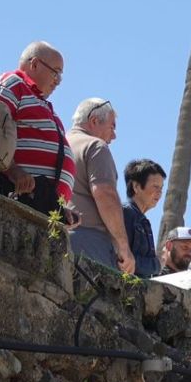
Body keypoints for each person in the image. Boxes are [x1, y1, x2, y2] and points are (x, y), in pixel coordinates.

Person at [0, 42, 75, 216]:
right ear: (35, 64)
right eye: (55, 72)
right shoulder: (13, 83)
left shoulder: (41, 102)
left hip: (42, 204)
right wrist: (12, 170)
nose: (58, 81)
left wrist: (62, 210)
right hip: (18, 197)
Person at [65, 98, 132, 274]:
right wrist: (123, 246)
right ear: (94, 121)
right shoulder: (95, 146)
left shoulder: (60, 142)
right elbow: (104, 193)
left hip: (57, 234)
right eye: (112, 126)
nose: (114, 136)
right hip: (90, 241)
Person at [122, 160, 165, 279]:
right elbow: (123, 259)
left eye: (161, 188)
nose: (160, 193)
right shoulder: (126, 214)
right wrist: (157, 264)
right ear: (136, 186)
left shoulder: (143, 221)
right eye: (155, 187)